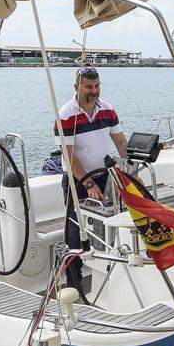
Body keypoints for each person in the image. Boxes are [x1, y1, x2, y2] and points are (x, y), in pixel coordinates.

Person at [54, 66, 128, 293]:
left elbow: (121, 144)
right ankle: (73, 284)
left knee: (108, 227)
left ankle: (109, 277)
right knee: (75, 234)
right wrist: (88, 183)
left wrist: (132, 168)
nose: (94, 91)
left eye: (96, 86)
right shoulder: (66, 115)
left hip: (104, 176)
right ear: (76, 87)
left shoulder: (107, 110)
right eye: (88, 86)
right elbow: (69, 155)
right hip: (78, 182)